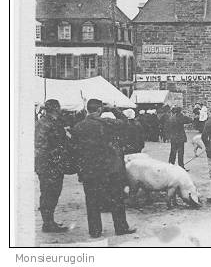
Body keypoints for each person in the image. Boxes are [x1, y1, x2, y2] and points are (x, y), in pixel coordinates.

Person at [71, 99, 135, 238]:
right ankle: (121, 227)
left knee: (92, 201)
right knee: (116, 199)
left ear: (88, 109)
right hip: (109, 170)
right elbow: (125, 122)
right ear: (100, 109)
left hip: (89, 170)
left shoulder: (78, 127)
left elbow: (75, 151)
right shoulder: (106, 123)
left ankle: (95, 231)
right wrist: (113, 109)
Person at [34, 99, 70, 233]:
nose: (60, 110)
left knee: (53, 193)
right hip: (48, 165)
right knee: (48, 193)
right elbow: (40, 146)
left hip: (53, 165)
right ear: (55, 108)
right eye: (58, 108)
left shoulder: (52, 122)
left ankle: (50, 221)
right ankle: (48, 223)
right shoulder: (44, 124)